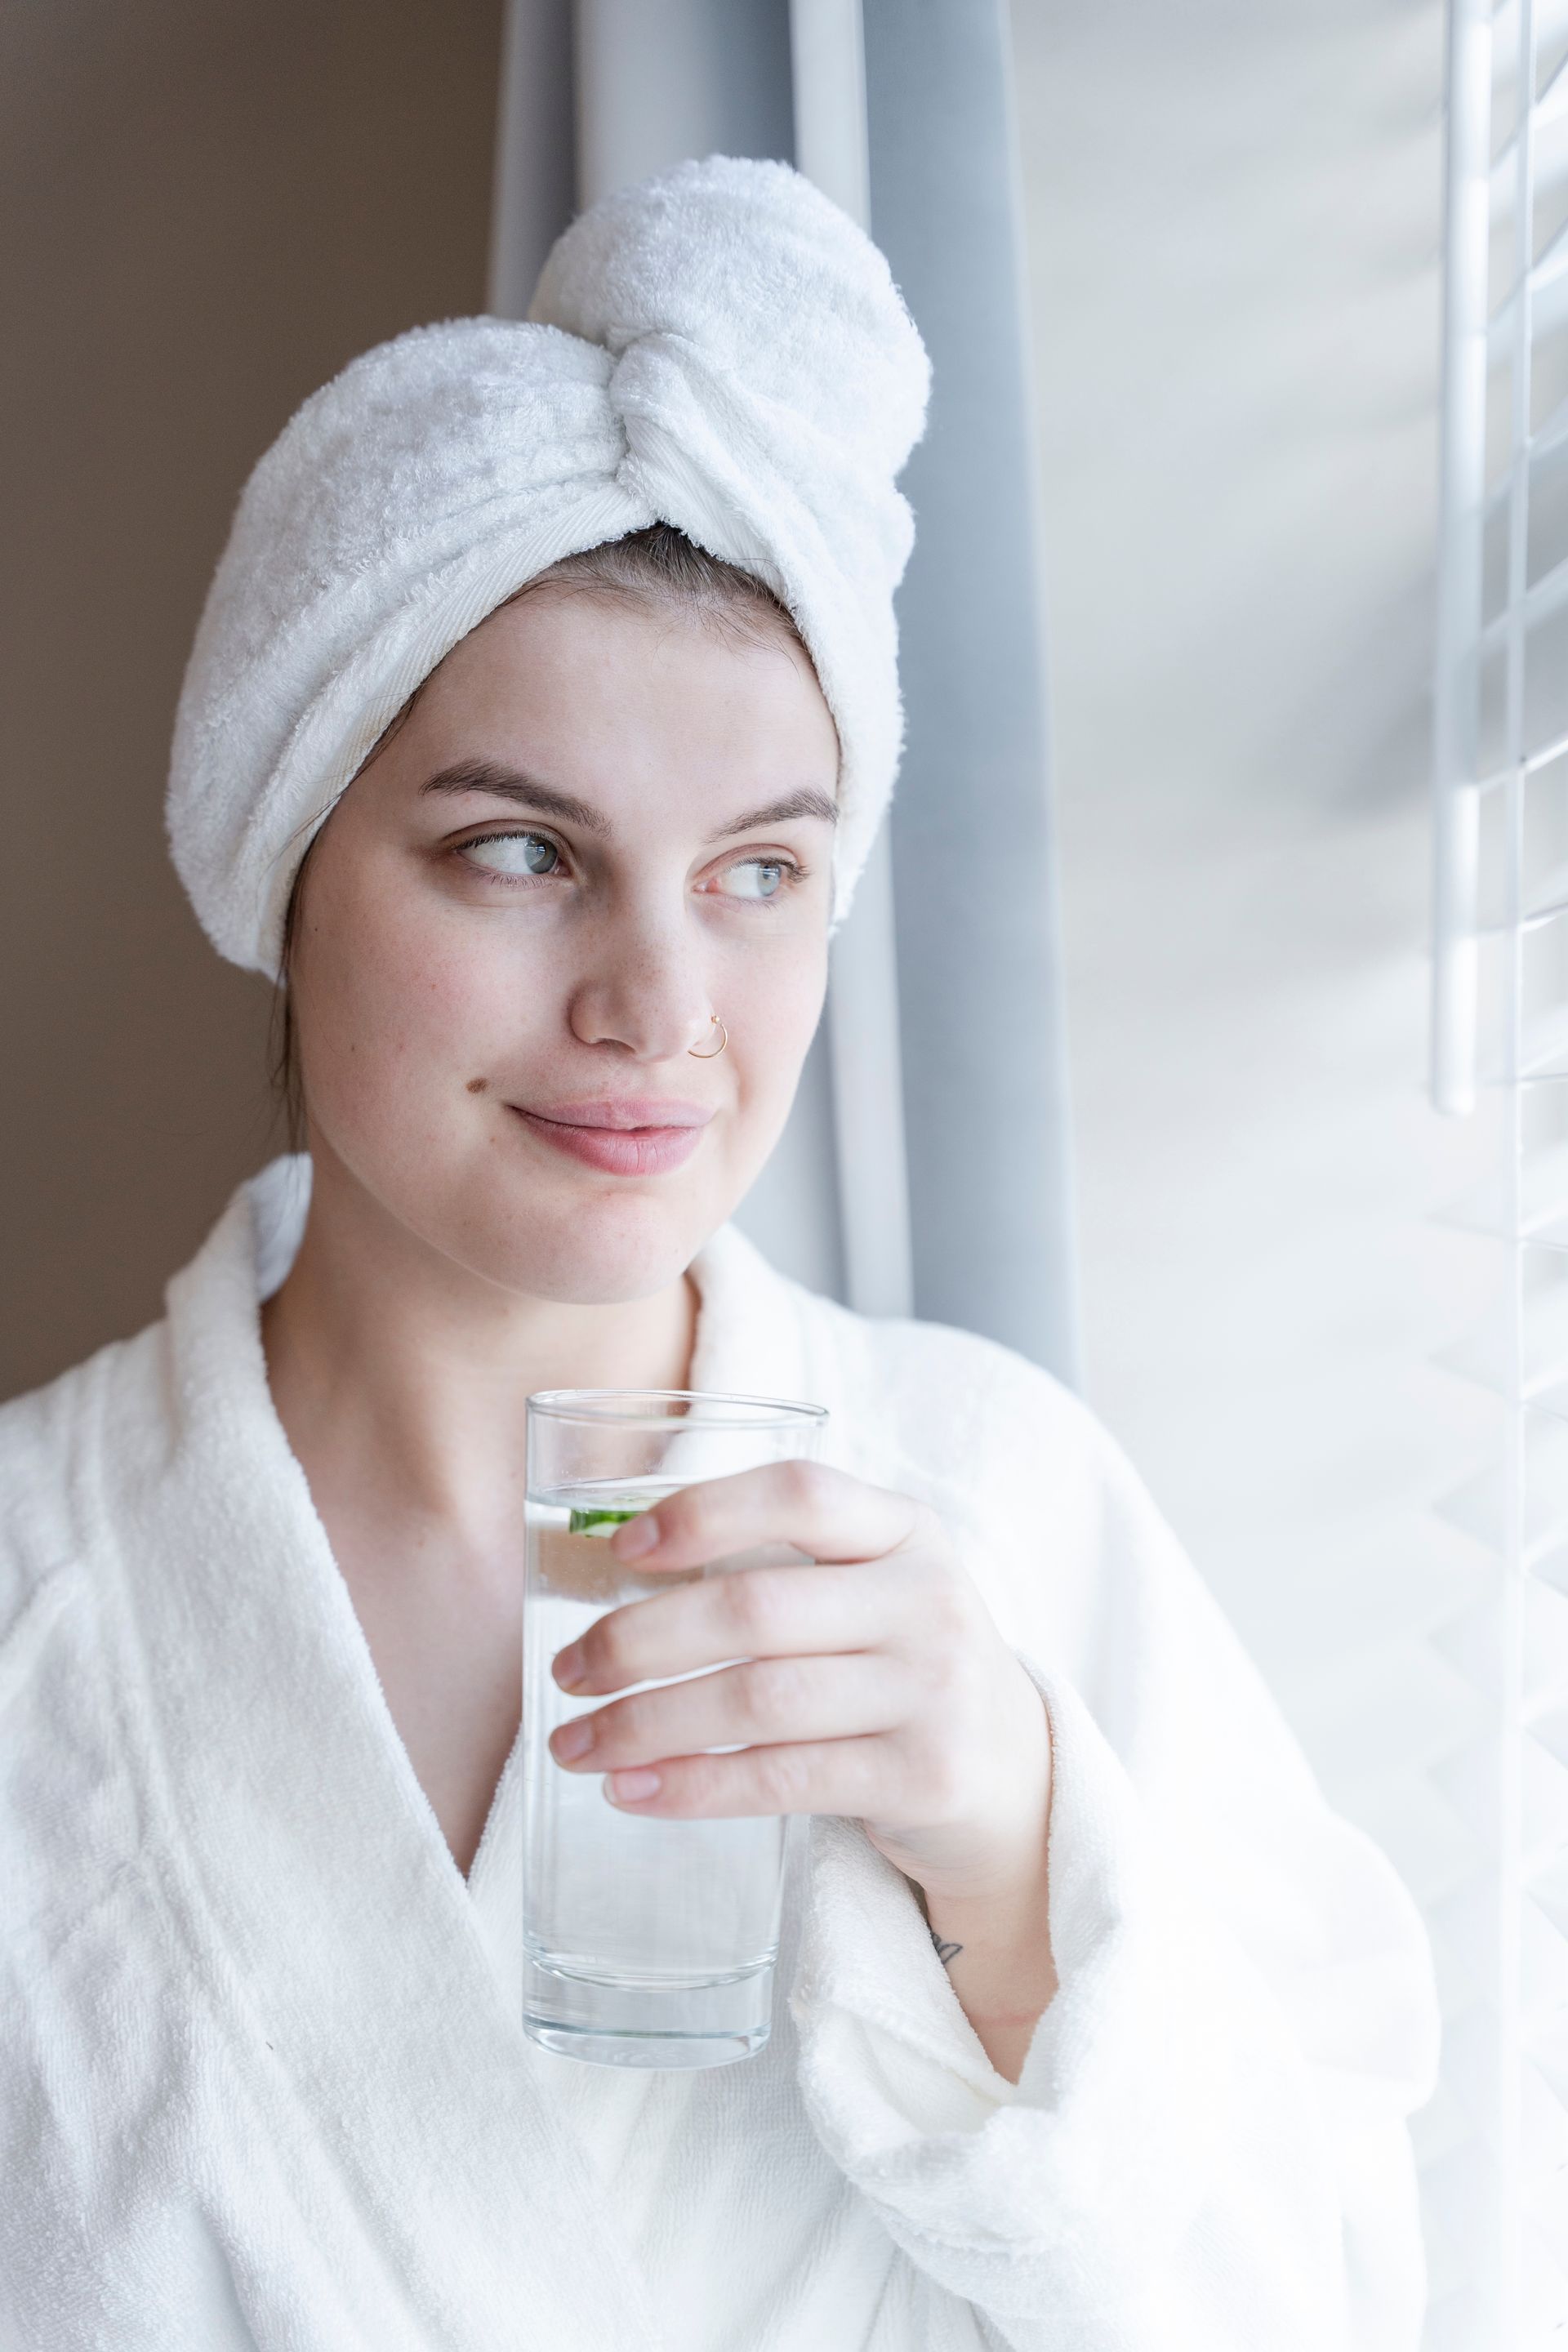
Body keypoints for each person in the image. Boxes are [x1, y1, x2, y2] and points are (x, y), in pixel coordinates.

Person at [0, 157, 1436, 2352]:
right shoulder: (35, 1605)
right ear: (292, 861)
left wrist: (1016, 1852)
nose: (658, 1003)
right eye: (519, 851)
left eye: (758, 873)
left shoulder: (1005, 1507)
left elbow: (1346, 2299)